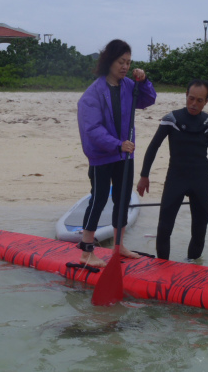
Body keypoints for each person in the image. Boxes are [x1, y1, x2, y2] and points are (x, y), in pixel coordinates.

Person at [77, 39, 157, 267]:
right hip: (102, 155)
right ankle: (86, 251)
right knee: (99, 198)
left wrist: (144, 80)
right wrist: (116, 144)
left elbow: (148, 99)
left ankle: (119, 246)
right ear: (110, 61)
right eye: (121, 61)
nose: (125, 66)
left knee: (122, 199)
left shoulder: (129, 86)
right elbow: (92, 129)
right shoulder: (92, 94)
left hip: (125, 155)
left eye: (129, 62)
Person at [136, 79, 208, 261]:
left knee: (200, 230)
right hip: (176, 179)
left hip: (200, 180)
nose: (194, 104)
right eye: (191, 98)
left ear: (207, 101)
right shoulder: (171, 119)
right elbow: (153, 147)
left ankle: (192, 266)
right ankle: (163, 266)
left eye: (199, 101)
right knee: (164, 228)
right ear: (186, 95)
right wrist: (144, 176)